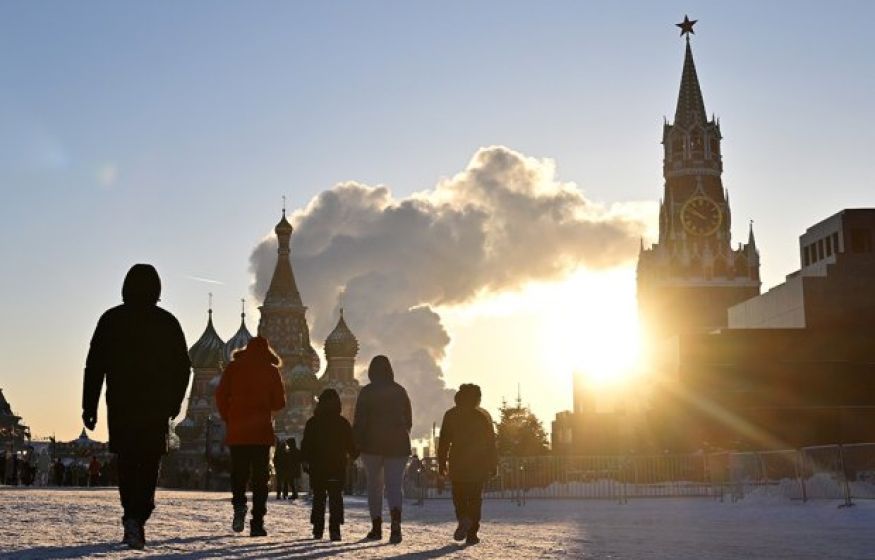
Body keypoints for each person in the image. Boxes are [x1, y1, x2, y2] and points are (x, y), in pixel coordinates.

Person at [82, 264, 192, 550]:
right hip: (155, 406)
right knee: (149, 460)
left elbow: (94, 366)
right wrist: (174, 402)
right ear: (157, 289)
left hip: (121, 403)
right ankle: (138, 515)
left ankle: (132, 515)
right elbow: (183, 368)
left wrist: (89, 405)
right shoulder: (166, 322)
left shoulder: (112, 319)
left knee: (128, 461)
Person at [215, 336, 286, 537]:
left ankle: (239, 505)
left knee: (238, 474)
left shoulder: (234, 367)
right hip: (261, 433)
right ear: (267, 351)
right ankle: (257, 522)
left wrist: (228, 416)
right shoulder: (271, 370)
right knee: (260, 479)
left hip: (238, 431)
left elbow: (220, 395)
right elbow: (279, 403)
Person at [353, 355, 412, 544]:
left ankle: (376, 527)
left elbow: (360, 420)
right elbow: (408, 420)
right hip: (398, 445)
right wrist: (401, 434)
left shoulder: (367, 392)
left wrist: (356, 442)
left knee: (374, 486)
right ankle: (396, 526)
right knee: (395, 486)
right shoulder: (400, 391)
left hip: (372, 445)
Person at [438, 384, 497, 546]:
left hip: (457, 464)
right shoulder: (482, 416)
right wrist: (493, 463)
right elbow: (491, 442)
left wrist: (442, 462)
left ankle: (463, 517)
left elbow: (443, 441)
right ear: (476, 398)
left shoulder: (451, 415)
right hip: (478, 464)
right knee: (475, 499)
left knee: (459, 497)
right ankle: (472, 534)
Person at [301, 389, 358, 541]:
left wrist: (305, 461)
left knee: (319, 498)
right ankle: (335, 530)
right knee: (335, 498)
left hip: (317, 468)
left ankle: (317, 530)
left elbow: (306, 445)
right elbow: (351, 446)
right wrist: (356, 454)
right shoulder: (343, 423)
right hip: (337, 467)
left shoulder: (312, 423)